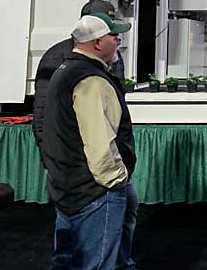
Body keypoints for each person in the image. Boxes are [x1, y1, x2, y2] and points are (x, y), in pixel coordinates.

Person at [41, 13, 138, 269]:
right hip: (94, 191)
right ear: (96, 43)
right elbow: (100, 144)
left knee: (66, 260)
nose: (118, 40)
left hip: (67, 185)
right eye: (113, 36)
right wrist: (116, 183)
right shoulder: (91, 80)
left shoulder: (66, 70)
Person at [34, 0, 126, 150]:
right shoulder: (57, 57)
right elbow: (43, 108)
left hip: (104, 145)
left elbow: (119, 98)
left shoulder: (113, 55)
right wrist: (47, 150)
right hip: (70, 151)